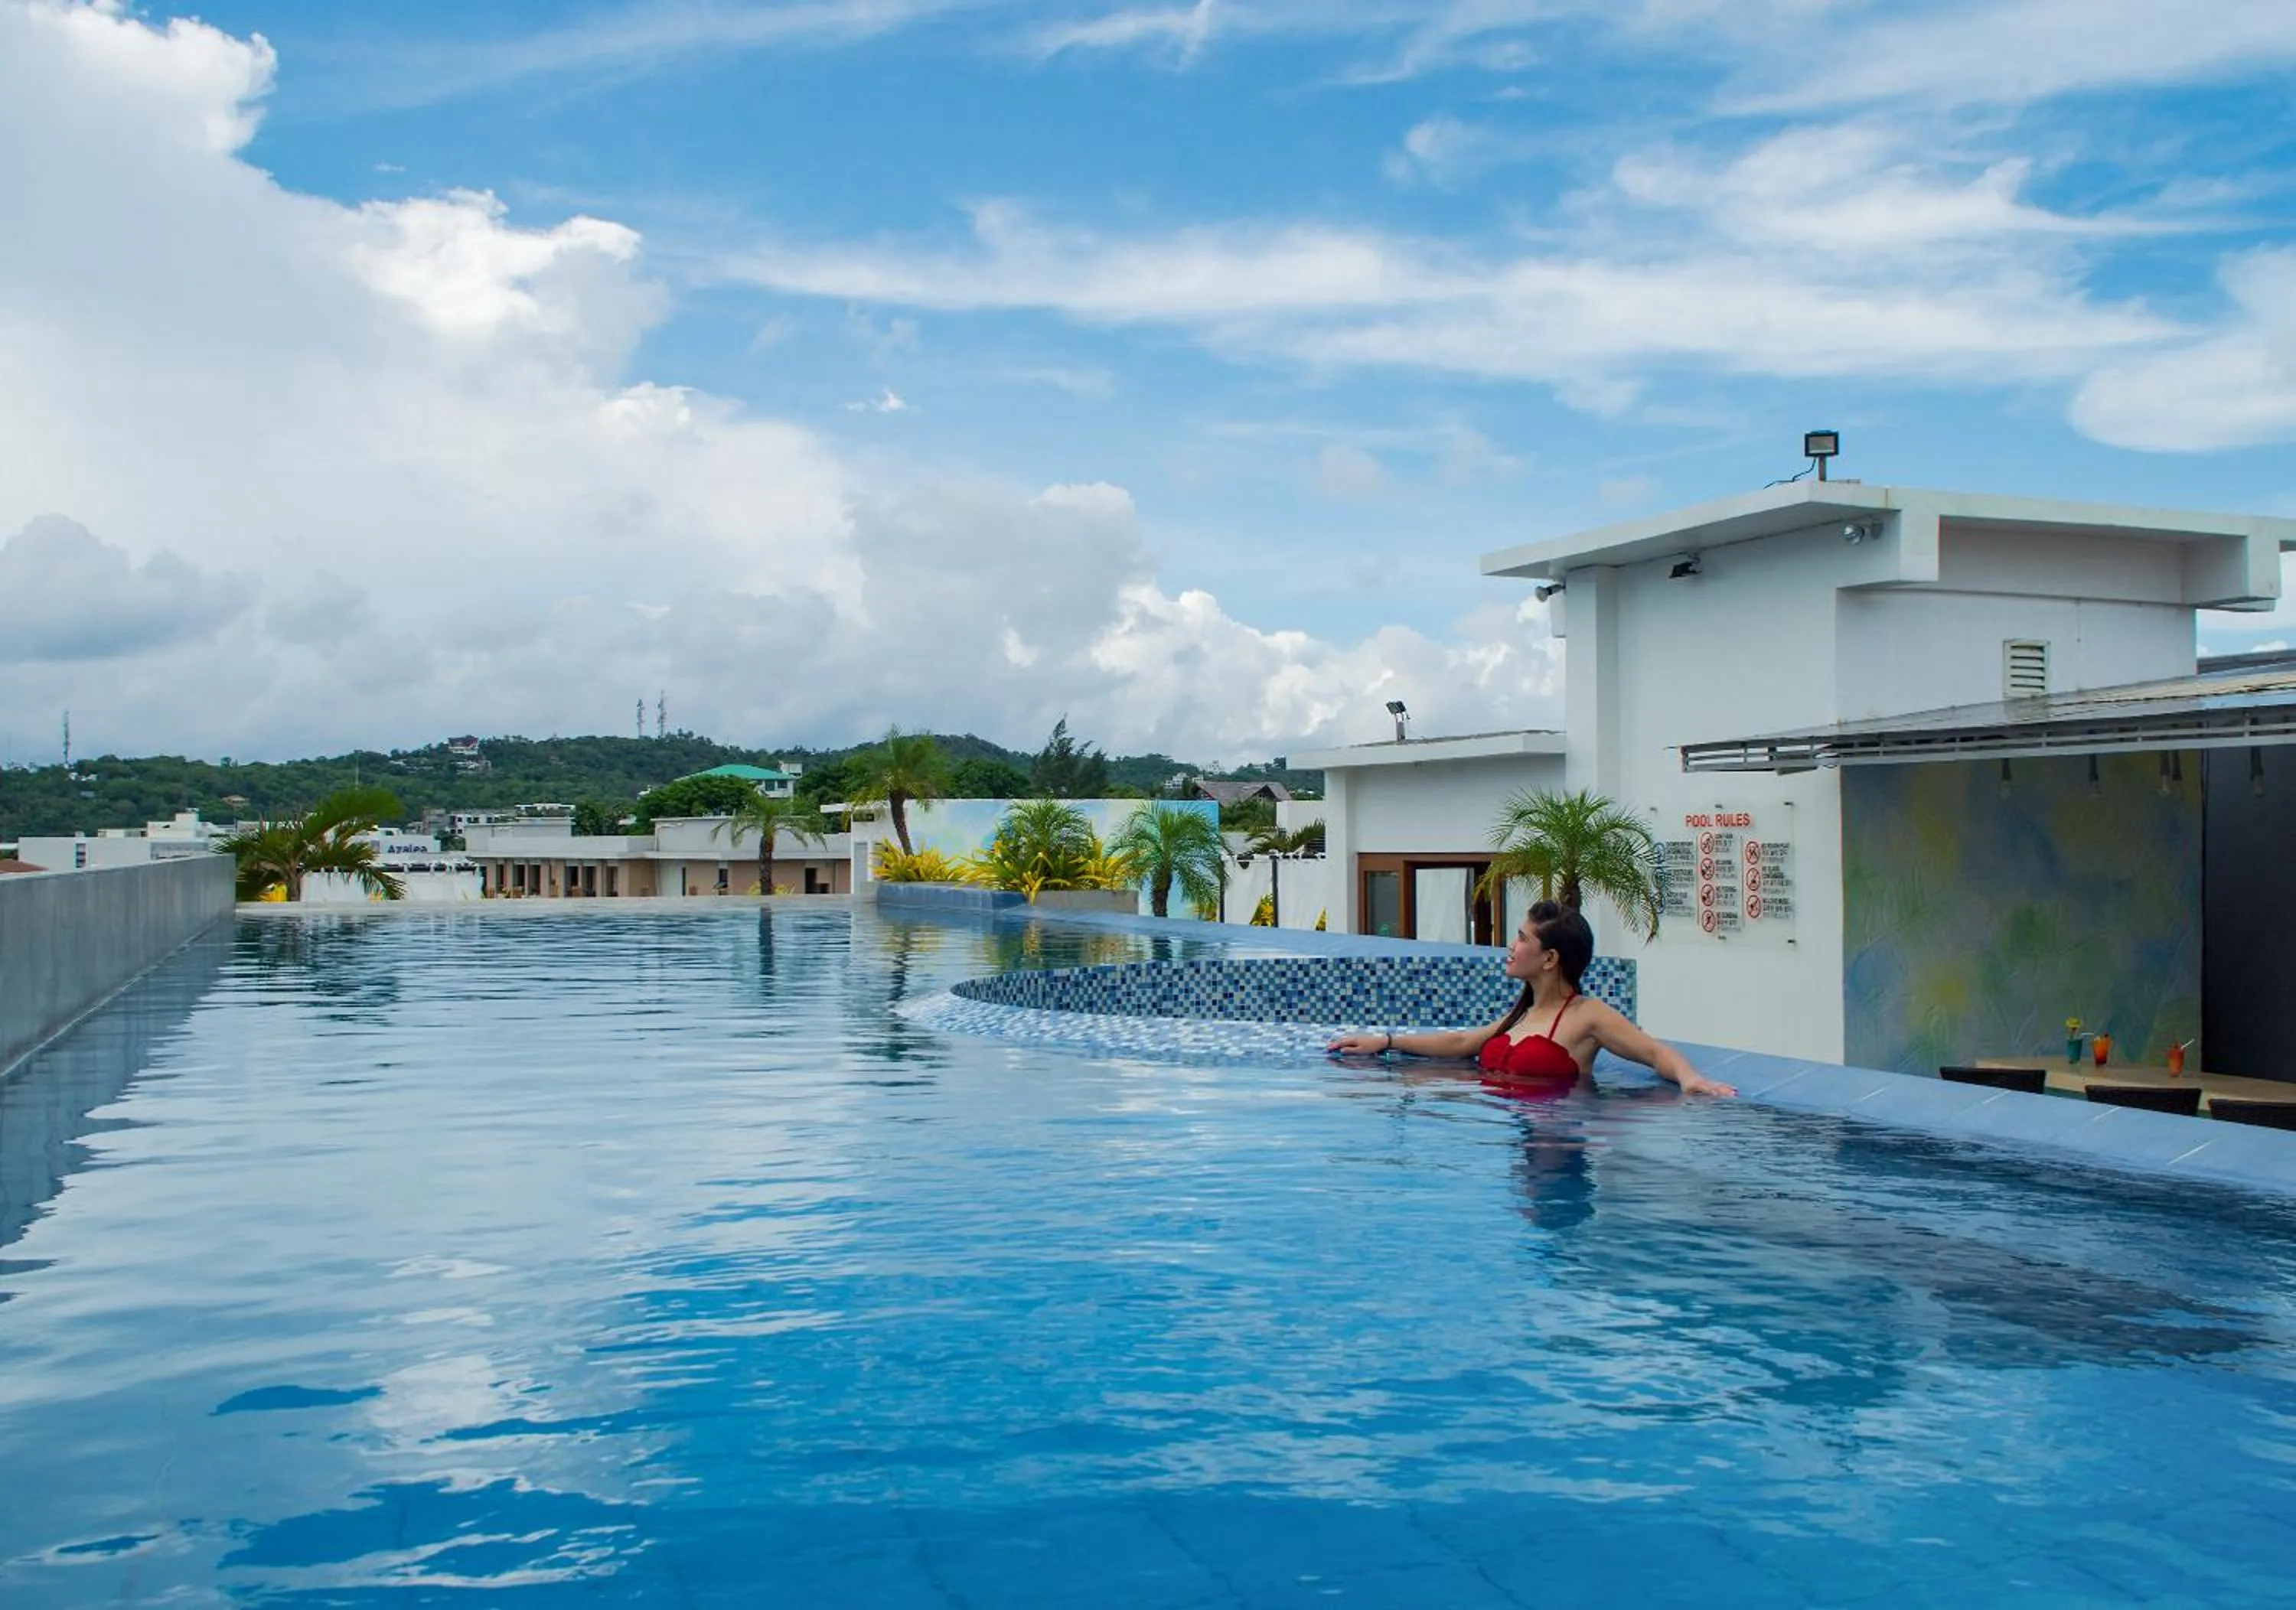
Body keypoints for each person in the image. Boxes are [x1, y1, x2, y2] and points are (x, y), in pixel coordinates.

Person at [1326, 900, 1737, 1097]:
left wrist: (1691, 1079)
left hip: (1563, 1143)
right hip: (1513, 1133)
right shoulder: (1523, 1013)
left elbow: (1653, 1053)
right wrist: (1387, 1042)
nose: (1511, 945)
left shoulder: (1586, 1016)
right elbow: (1464, 1044)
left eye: (1522, 938)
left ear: (1549, 959)